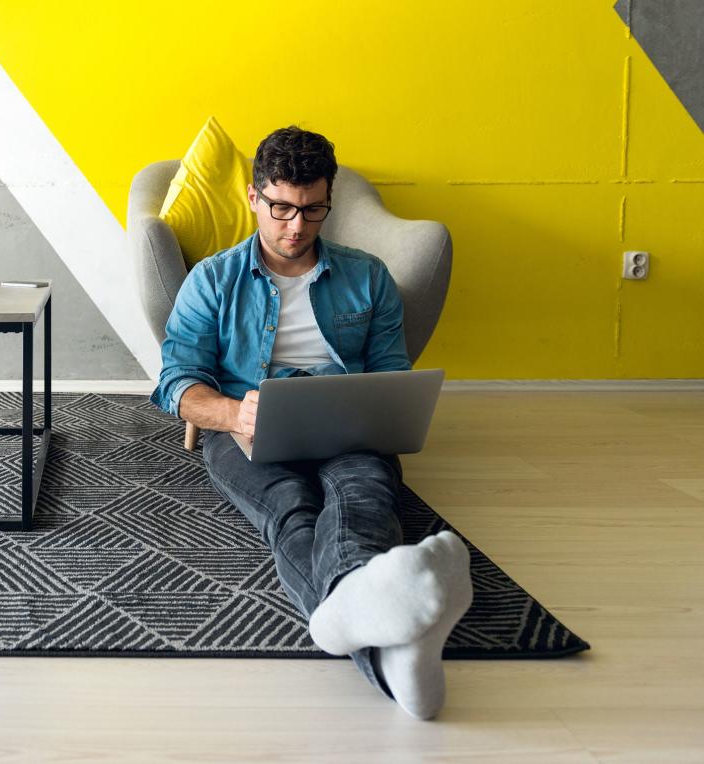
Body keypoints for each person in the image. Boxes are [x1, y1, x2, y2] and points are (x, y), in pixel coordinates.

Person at [150, 125, 473, 720]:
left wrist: (385, 410)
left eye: (312, 210)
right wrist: (233, 412)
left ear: (329, 203)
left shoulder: (367, 276)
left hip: (346, 420)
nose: (295, 226)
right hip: (243, 427)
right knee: (290, 509)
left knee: (364, 496)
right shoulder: (212, 281)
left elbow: (391, 372)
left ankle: (366, 629)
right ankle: (386, 640)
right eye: (280, 208)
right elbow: (175, 385)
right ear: (254, 198)